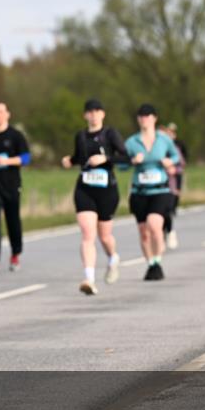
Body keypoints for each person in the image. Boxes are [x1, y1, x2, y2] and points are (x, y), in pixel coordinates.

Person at [61, 99, 128, 295]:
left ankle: (113, 257)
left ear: (103, 114)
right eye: (89, 112)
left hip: (107, 190)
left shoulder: (110, 134)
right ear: (85, 115)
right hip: (85, 189)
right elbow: (78, 158)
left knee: (104, 236)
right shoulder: (80, 135)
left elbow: (126, 157)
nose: (93, 115)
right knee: (87, 234)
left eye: (97, 111)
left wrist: (106, 158)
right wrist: (69, 160)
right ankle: (89, 278)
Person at [122, 104, 180, 281]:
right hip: (139, 191)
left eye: (147, 116)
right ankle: (152, 264)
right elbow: (121, 164)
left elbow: (176, 156)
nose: (144, 119)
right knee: (143, 231)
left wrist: (169, 161)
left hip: (160, 189)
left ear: (154, 118)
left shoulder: (163, 139)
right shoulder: (131, 142)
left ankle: (158, 259)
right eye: (141, 116)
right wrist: (132, 161)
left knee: (154, 226)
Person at [0, 102, 31, 272]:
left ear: (7, 114)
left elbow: (25, 159)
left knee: (13, 221)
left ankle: (15, 253)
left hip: (11, 185)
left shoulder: (16, 135)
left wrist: (7, 161)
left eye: (0, 112)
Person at [159, 123, 185, 249]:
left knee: (167, 211)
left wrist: (174, 169)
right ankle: (161, 235)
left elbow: (181, 164)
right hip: (153, 186)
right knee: (157, 214)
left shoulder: (173, 148)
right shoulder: (150, 147)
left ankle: (170, 232)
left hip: (170, 185)